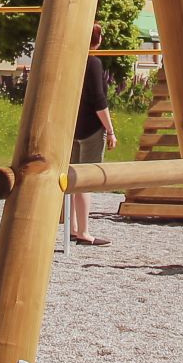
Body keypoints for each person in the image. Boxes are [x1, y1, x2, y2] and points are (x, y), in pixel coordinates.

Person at [70, 22, 115, 244]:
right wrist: (110, 129)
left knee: (70, 179)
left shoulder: (70, 62)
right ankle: (84, 232)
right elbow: (99, 100)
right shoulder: (93, 63)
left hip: (72, 127)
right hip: (90, 128)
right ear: (97, 41)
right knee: (85, 181)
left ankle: (72, 227)